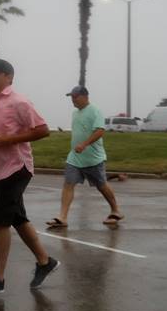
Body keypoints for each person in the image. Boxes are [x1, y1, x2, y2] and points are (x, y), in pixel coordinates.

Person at [0, 59, 60, 295]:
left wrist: (11, 139)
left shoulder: (19, 101)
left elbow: (42, 129)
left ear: (9, 77)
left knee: (0, 219)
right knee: (17, 218)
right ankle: (45, 262)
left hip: (17, 168)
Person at [46, 86, 124, 229]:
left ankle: (115, 210)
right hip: (75, 158)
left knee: (102, 185)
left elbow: (100, 131)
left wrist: (84, 144)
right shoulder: (75, 113)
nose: (73, 100)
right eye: (71, 97)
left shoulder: (95, 111)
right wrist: (78, 146)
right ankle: (62, 217)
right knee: (68, 184)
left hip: (93, 158)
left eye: (75, 97)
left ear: (85, 96)